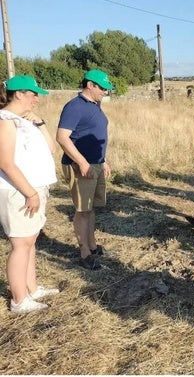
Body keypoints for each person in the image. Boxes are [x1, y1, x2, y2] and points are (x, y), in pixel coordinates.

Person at [0, 75, 59, 313]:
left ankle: (31, 289)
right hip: (19, 192)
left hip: (33, 188)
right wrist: (30, 193)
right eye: (33, 94)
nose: (36, 99)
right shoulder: (5, 121)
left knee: (30, 242)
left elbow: (52, 148)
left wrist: (41, 124)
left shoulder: (23, 120)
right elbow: (6, 163)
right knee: (20, 244)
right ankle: (19, 299)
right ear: (19, 94)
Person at [56, 69, 114, 270]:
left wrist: (103, 160)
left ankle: (92, 244)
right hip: (82, 166)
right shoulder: (74, 107)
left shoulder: (95, 105)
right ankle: (84, 253)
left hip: (96, 163)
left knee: (90, 208)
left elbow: (94, 133)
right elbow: (62, 137)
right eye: (103, 88)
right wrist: (82, 163)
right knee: (82, 209)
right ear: (90, 85)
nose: (105, 92)